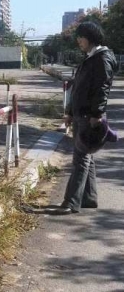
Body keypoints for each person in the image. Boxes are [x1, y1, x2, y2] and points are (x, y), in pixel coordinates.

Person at [57, 21, 117, 214]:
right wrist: (69, 112)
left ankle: (71, 202)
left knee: (81, 158)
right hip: (80, 114)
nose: (78, 41)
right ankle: (89, 198)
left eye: (81, 37)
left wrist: (97, 114)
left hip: (89, 116)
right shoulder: (91, 58)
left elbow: (102, 89)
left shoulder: (102, 59)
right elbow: (77, 88)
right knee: (86, 157)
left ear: (90, 38)